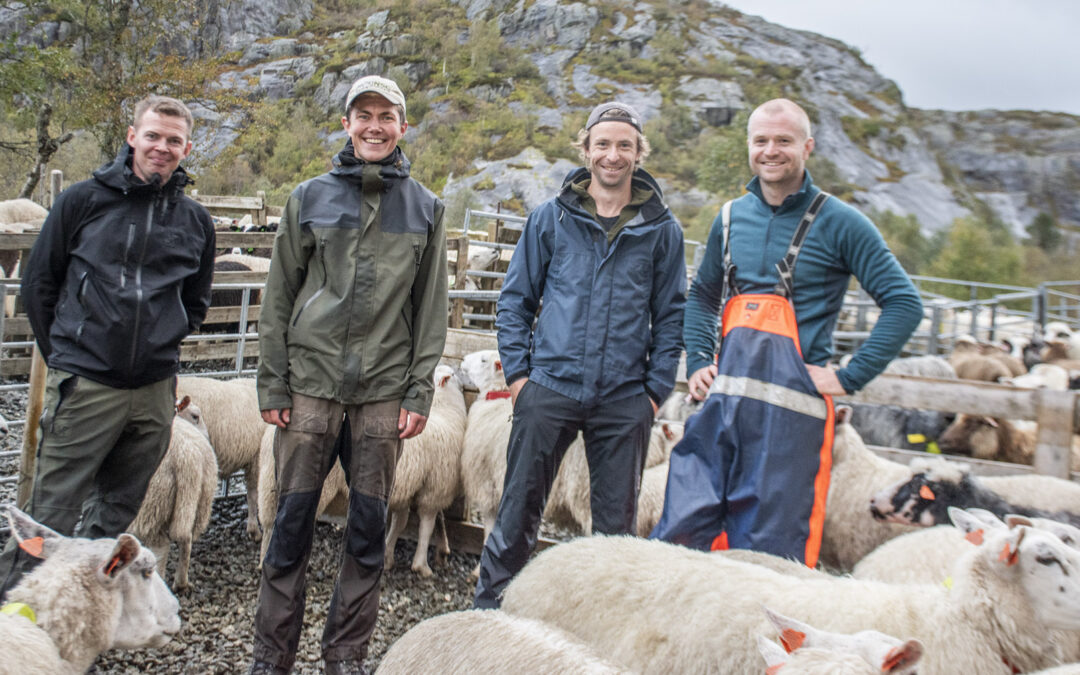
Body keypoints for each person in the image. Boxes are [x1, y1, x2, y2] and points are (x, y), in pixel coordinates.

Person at [650, 98, 923, 565]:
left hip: (790, 426)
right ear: (749, 147)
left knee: (768, 556)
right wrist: (698, 359)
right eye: (761, 141)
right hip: (722, 414)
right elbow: (701, 296)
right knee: (682, 539)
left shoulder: (843, 223)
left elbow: (904, 304)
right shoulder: (731, 217)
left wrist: (848, 376)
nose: (770, 151)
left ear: (807, 147)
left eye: (783, 140)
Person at [250, 75, 447, 675]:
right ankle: (272, 657)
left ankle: (344, 655)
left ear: (402, 125)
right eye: (363, 115)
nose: (374, 126)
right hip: (310, 385)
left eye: (386, 116)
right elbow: (280, 295)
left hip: (383, 395)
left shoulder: (426, 208)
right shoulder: (308, 198)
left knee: (366, 532)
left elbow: (431, 308)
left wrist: (417, 390)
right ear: (346, 124)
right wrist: (273, 382)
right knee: (290, 526)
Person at [473, 101, 687, 609]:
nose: (613, 155)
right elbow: (515, 302)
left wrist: (653, 394)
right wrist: (522, 379)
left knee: (614, 532)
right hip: (550, 388)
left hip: (623, 400)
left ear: (639, 154)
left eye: (624, 146)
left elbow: (672, 315)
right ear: (586, 149)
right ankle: (489, 619)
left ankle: (598, 631)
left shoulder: (661, 231)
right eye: (603, 144)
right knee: (517, 513)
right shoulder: (550, 220)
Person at [0, 95, 216, 597]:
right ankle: (18, 617)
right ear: (132, 136)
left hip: (153, 391)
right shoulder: (83, 201)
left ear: (186, 147)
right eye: (153, 135)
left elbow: (196, 300)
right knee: (47, 510)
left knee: (119, 509)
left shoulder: (194, 221)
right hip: (88, 382)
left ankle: (85, 610)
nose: (162, 147)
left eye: (174, 140)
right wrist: (70, 356)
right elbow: (39, 285)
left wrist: (164, 342)